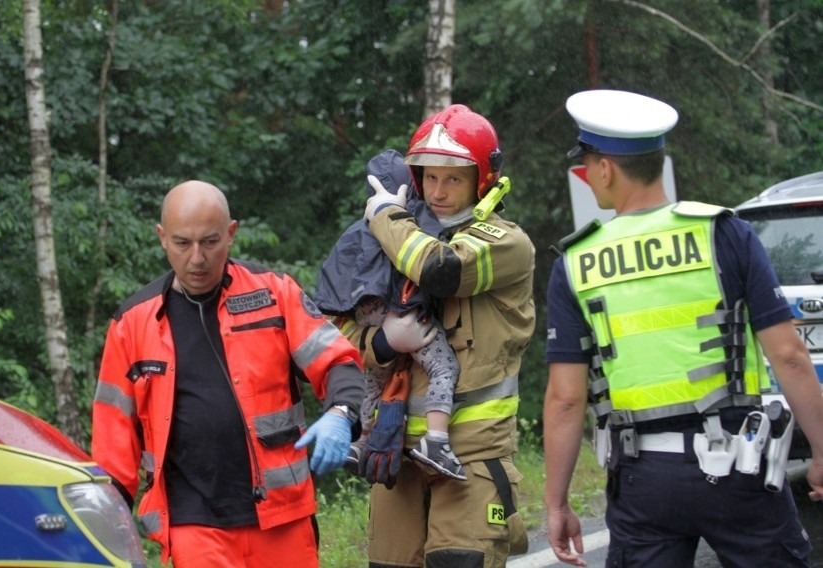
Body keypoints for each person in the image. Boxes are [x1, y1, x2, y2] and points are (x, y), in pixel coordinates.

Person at [543, 89, 823, 567]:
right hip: (742, 465)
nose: (588, 177)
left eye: (587, 164)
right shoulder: (724, 233)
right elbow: (790, 355)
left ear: (605, 168)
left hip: (642, 478)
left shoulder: (576, 263)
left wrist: (556, 503)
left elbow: (566, 398)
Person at [90, 180, 365, 568]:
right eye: (183, 243)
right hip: (192, 523)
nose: (197, 258)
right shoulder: (133, 323)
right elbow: (113, 435)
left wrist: (341, 414)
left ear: (232, 234)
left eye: (211, 241)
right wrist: (105, 520)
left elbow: (340, 362)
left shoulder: (274, 294)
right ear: (162, 239)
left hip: (280, 513)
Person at [339, 104, 536, 566]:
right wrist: (383, 343)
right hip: (395, 456)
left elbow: (438, 269)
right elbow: (337, 331)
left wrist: (385, 215)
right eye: (429, 177)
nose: (438, 190)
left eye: (453, 178)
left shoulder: (506, 242)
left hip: (471, 457)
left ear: (481, 179)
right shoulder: (391, 241)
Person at [315, 148, 465, 480]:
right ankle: (437, 440)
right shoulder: (413, 220)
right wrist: (384, 341)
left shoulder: (355, 231)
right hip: (405, 309)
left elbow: (332, 284)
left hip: (364, 312)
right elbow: (434, 262)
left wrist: (371, 330)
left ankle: (361, 442)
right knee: (443, 366)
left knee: (372, 380)